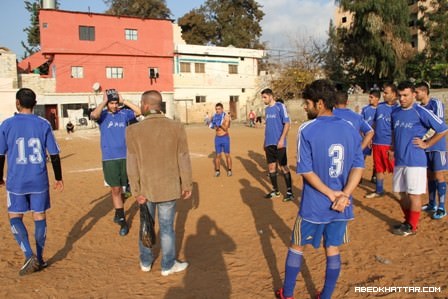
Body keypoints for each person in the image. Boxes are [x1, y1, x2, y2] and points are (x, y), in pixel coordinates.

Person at [275, 79, 364, 299]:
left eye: (307, 103)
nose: (305, 107)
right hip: (341, 206)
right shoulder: (350, 128)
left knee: (297, 246)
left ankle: (287, 294)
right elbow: (358, 166)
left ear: (320, 103)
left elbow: (305, 170)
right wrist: (344, 195)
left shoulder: (307, 129)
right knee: (332, 248)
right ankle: (325, 296)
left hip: (314, 205)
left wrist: (331, 193)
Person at [126, 90, 193, 276]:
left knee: (146, 225)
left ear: (146, 106)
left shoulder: (132, 130)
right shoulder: (177, 127)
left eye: (140, 103)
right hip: (169, 188)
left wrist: (135, 190)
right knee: (166, 228)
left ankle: (146, 262)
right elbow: (183, 157)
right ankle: (167, 265)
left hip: (145, 189)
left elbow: (131, 162)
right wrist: (187, 184)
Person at [0, 88, 64, 275]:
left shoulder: (7, 124)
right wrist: (59, 177)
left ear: (17, 103)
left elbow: (0, 154)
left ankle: (29, 254)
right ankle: (41, 258)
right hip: (39, 179)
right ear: (35, 104)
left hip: (17, 180)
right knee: (39, 216)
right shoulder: (43, 124)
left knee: (15, 216)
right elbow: (54, 154)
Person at [391, 81, 448, 236]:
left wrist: (427, 143)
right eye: (400, 95)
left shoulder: (420, 111)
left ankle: (412, 226)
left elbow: (443, 129)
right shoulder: (395, 112)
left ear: (413, 95)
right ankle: (408, 220)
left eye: (405, 95)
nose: (402, 98)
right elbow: (394, 133)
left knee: (414, 194)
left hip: (415, 160)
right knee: (398, 193)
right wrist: (392, 149)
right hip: (400, 160)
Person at [90, 89, 141, 236]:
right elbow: (93, 115)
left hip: (126, 157)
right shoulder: (103, 115)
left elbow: (138, 112)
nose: (114, 106)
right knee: (116, 190)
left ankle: (122, 210)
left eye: (116, 103)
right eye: (112, 103)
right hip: (110, 158)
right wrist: (104, 102)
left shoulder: (124, 114)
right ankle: (121, 218)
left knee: (130, 188)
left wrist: (123, 101)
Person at [415, 82, 447, 219]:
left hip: (437, 146)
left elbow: (439, 124)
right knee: (429, 175)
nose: (415, 95)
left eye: (417, 92)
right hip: (425, 146)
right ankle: (432, 203)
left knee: (439, 175)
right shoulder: (418, 108)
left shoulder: (436, 103)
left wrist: (425, 140)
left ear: (424, 91)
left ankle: (442, 206)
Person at [365, 83, 399, 198]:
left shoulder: (398, 109)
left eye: (386, 93)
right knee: (378, 168)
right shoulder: (379, 107)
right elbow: (374, 123)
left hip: (388, 144)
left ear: (394, 94)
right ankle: (379, 190)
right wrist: (370, 137)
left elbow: (397, 130)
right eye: (383, 92)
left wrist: (393, 147)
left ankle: (400, 193)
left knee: (395, 169)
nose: (383, 95)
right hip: (376, 143)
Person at [261, 88, 294, 202]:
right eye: (262, 97)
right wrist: (265, 141)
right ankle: (276, 191)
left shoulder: (280, 106)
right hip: (269, 143)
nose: (263, 99)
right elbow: (268, 127)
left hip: (279, 143)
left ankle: (289, 192)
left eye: (265, 97)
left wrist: (281, 140)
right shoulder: (266, 110)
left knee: (283, 167)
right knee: (271, 167)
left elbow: (287, 123)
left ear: (271, 96)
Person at [361, 90, 381, 182]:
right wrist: (365, 137)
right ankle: (359, 176)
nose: (369, 99)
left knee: (377, 158)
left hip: (378, 138)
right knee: (362, 156)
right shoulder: (365, 109)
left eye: (371, 97)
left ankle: (374, 176)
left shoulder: (381, 109)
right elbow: (360, 125)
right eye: (369, 97)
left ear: (377, 98)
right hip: (366, 137)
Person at [209, 103, 232, 177]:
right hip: (217, 138)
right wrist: (211, 124)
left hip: (225, 137)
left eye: (219, 109)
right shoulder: (215, 116)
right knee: (218, 155)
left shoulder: (226, 117)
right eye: (216, 109)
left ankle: (229, 170)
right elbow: (213, 127)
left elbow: (226, 128)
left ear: (222, 109)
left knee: (227, 155)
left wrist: (220, 124)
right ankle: (217, 170)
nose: (217, 110)